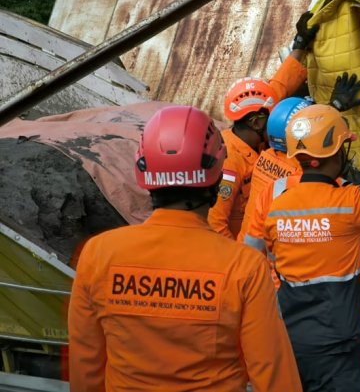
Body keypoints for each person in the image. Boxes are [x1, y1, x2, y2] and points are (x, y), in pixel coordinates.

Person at [68, 106, 302, 391]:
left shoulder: (98, 255)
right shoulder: (245, 267)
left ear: (145, 174)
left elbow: (85, 368)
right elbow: (273, 374)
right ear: (216, 177)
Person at [244, 104, 360, 391]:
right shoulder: (355, 201)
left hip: (287, 336)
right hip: (341, 343)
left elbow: (251, 259)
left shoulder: (272, 198)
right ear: (338, 151)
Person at [209, 12, 357, 239]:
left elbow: (278, 88)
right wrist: (237, 257)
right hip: (250, 247)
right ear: (256, 122)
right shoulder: (230, 161)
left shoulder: (258, 134)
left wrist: (300, 45)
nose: (277, 115)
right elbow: (215, 226)